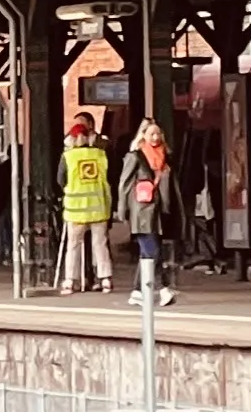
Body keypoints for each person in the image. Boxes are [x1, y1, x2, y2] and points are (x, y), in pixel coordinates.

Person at [56, 113, 114, 293]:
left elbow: (60, 179)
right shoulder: (100, 154)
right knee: (100, 244)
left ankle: (70, 280)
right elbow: (109, 176)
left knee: (73, 245)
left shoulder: (68, 157)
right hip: (98, 207)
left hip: (76, 209)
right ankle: (105, 278)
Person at [123, 117, 177, 307]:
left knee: (147, 254)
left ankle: (137, 291)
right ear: (143, 136)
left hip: (157, 213)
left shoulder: (165, 158)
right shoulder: (135, 157)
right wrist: (123, 212)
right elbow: (125, 185)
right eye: (151, 134)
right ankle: (163, 289)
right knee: (153, 251)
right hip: (141, 212)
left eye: (158, 133)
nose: (155, 137)